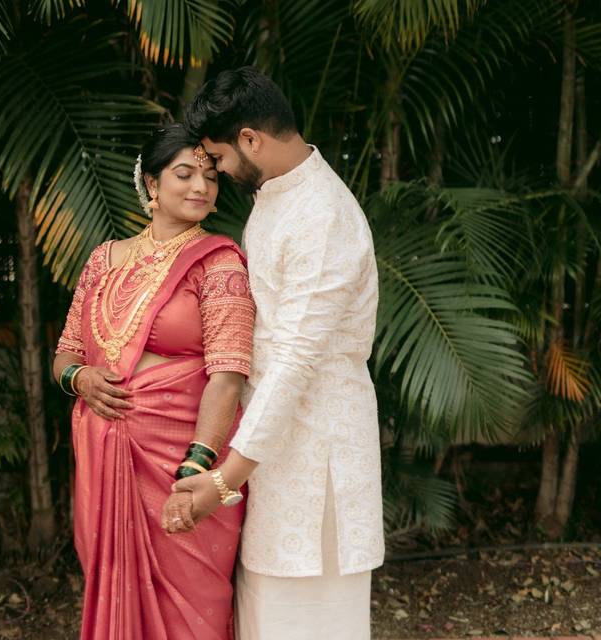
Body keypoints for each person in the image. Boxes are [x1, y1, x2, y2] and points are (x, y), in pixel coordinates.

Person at [170, 66, 384, 640]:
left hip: (320, 458)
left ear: (250, 140)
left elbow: (293, 360)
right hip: (272, 448)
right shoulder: (278, 197)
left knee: (308, 623)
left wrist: (223, 481)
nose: (215, 172)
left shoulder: (323, 217)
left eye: (217, 157)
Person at [52, 123, 256, 640]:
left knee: (195, 611)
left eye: (210, 177)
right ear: (150, 182)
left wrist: (196, 468)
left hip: (184, 458)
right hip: (105, 454)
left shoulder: (219, 260)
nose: (200, 187)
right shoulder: (103, 259)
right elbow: (65, 352)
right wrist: (80, 378)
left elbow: (228, 374)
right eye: (184, 174)